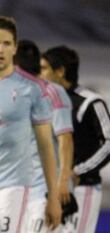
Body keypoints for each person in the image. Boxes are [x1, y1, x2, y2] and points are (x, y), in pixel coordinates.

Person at [0, 16, 62, 232]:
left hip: (14, 186)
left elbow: (46, 146)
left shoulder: (33, 89)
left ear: (15, 48)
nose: (0, 49)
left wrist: (53, 196)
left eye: (6, 43)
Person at [41, 46, 110, 233]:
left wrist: (78, 171)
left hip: (82, 188)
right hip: (50, 188)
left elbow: (108, 143)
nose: (40, 74)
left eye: (44, 68)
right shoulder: (43, 101)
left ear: (60, 72)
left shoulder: (90, 102)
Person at [15, 40, 75, 233]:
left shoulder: (52, 92)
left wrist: (63, 181)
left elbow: (65, 139)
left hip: (46, 191)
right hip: (21, 190)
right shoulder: (12, 94)